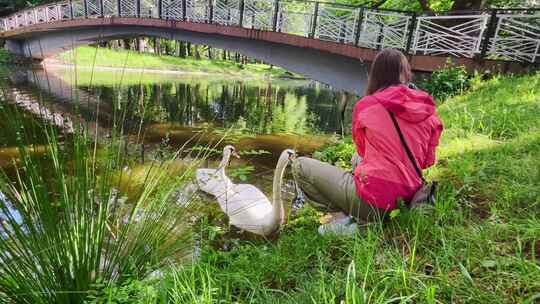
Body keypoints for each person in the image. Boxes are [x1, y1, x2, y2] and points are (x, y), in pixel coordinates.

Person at [292, 48, 443, 235]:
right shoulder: (428, 110)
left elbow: (362, 149)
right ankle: (365, 216)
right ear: (406, 74)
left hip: (376, 201)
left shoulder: (366, 105)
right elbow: (428, 161)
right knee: (356, 160)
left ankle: (346, 221)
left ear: (376, 75)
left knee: (300, 166)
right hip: (407, 197)